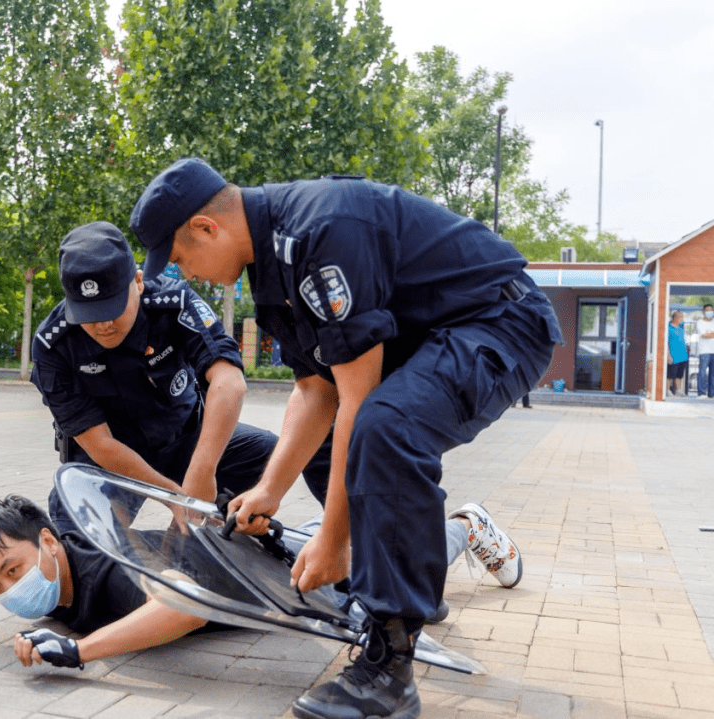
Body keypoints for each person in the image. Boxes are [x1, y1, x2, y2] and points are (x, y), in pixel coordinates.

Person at [131, 158, 561, 719]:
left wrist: (334, 540)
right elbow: (317, 392)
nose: (186, 274)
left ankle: (388, 668)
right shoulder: (269, 267)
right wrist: (269, 489)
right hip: (438, 334)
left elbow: (357, 401)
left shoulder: (321, 232)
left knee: (387, 426)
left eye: (182, 258)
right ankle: (408, 593)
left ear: (207, 228)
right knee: (374, 427)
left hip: (503, 320)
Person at [0, 495, 521, 671]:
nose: (11, 590)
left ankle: (464, 526)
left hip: (283, 570)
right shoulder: (65, 581)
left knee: (393, 564)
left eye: (14, 570)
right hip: (254, 563)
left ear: (50, 543)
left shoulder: (110, 570)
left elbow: (186, 608)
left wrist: (80, 651)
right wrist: (43, 633)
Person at [30, 221, 311, 532]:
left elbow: (229, 382)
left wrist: (203, 469)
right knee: (78, 544)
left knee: (265, 456)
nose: (103, 325)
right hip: (112, 461)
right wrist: (174, 496)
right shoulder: (52, 345)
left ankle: (192, 543)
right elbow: (100, 444)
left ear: (137, 282)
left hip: (183, 437)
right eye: (89, 316)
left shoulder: (172, 303)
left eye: (113, 309)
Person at [667, 310, 688, 397]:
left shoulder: (681, 327)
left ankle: (678, 390)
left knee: (679, 374)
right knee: (670, 374)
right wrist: (668, 354)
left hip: (683, 355)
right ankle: (667, 390)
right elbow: (666, 342)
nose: (682, 319)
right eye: (681, 317)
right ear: (675, 317)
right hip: (673, 355)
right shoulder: (668, 327)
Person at [695, 304, 714, 398]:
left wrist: (708, 334)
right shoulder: (700, 322)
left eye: (711, 310)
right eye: (707, 310)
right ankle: (701, 393)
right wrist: (710, 334)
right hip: (704, 351)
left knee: (713, 374)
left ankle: (712, 393)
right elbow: (703, 335)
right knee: (702, 372)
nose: (709, 312)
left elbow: (707, 335)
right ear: (703, 311)